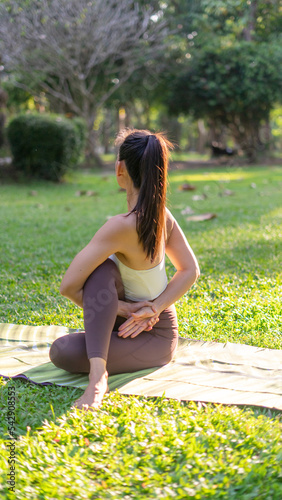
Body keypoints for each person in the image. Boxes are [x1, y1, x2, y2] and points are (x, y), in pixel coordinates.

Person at [49, 129, 200, 411]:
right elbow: (190, 270)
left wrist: (149, 310)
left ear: (120, 169)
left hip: (153, 336)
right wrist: (135, 309)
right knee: (102, 270)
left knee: (62, 350)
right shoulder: (163, 216)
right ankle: (99, 370)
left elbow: (68, 287)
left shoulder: (121, 225)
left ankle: (97, 379)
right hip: (140, 324)